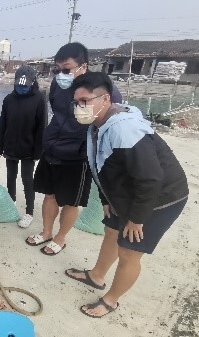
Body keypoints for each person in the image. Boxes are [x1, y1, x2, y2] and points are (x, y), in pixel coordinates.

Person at [65, 72, 188, 317]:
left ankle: (111, 300)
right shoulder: (98, 125)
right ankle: (97, 276)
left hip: (160, 198)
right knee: (111, 232)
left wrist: (136, 219)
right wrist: (106, 200)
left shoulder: (125, 129)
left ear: (105, 98)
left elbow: (151, 178)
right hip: (126, 193)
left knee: (129, 251)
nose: (80, 107)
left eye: (85, 101)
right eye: (76, 103)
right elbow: (100, 165)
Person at [26, 42, 123, 255]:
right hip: (52, 148)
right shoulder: (57, 86)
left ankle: (61, 238)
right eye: (57, 69)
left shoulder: (104, 90)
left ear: (83, 66)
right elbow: (55, 112)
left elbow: (110, 122)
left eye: (67, 69)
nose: (61, 74)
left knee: (71, 201)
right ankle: (47, 232)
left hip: (78, 155)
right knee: (49, 195)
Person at [0, 65, 47, 228]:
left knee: (27, 179)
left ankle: (29, 212)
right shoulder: (8, 99)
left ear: (32, 83)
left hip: (29, 149)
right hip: (10, 146)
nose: (21, 88)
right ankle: (11, 205)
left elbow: (41, 127)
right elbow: (2, 124)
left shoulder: (39, 99)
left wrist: (38, 151)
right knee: (10, 177)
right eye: (19, 84)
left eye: (24, 85)